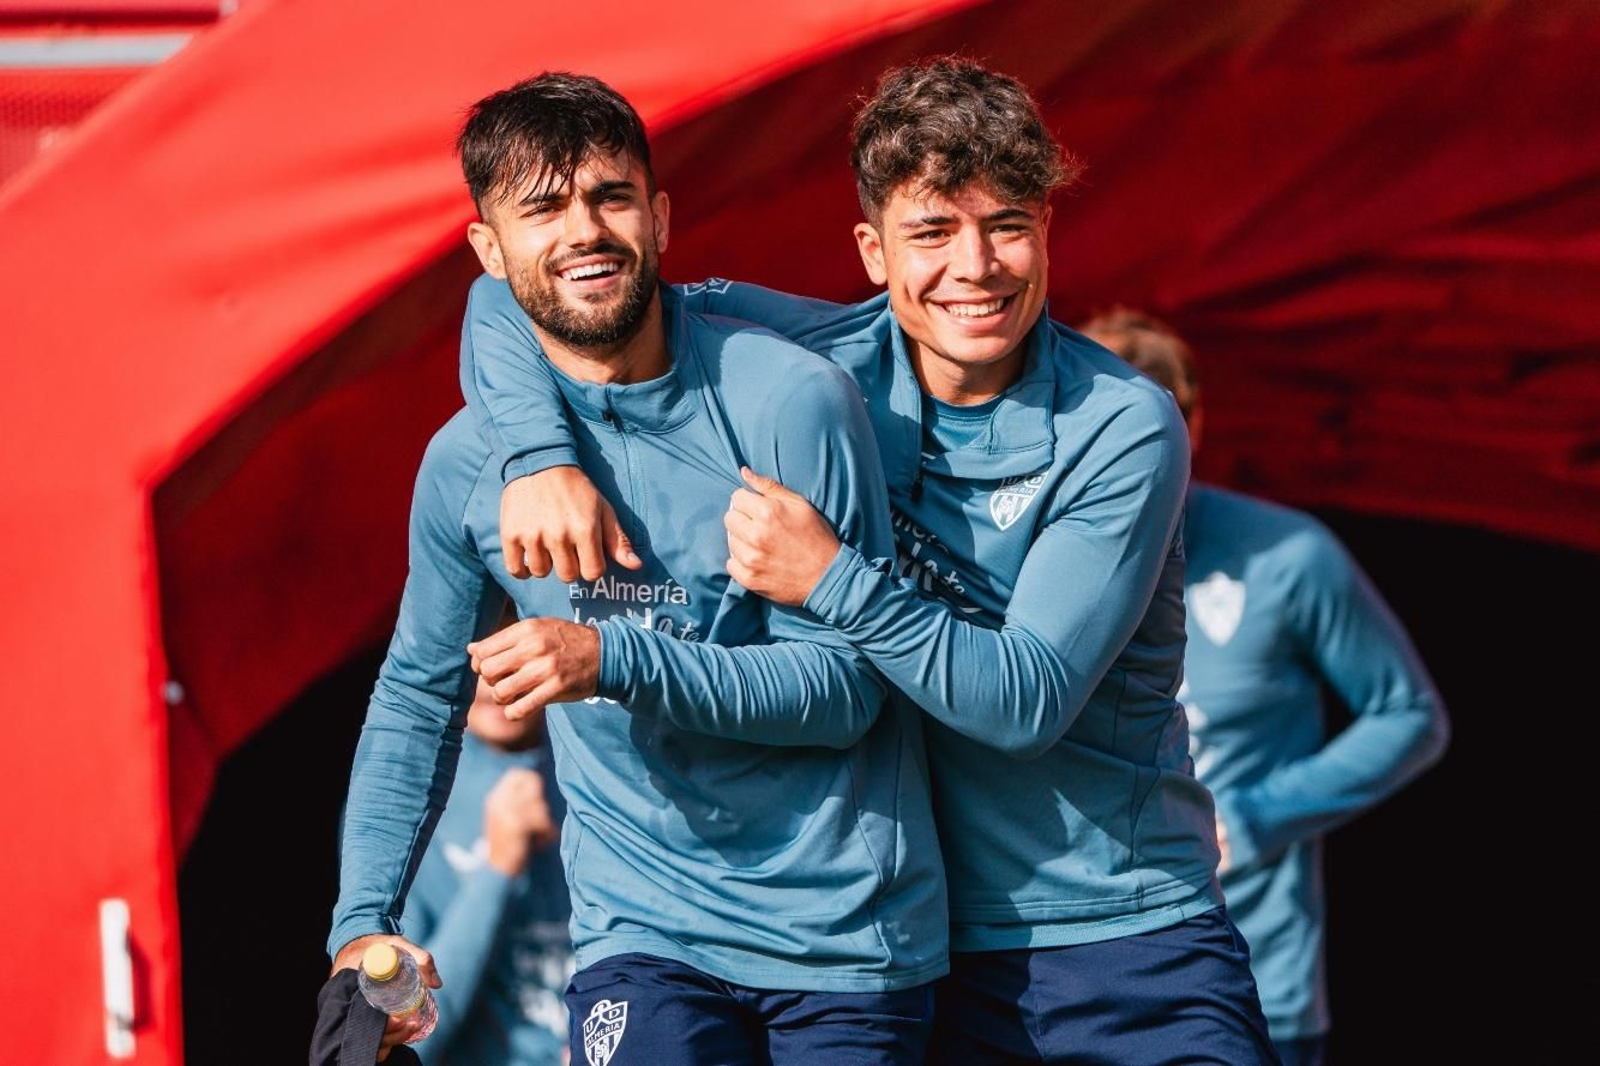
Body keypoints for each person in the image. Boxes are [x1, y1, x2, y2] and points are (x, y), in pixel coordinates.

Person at [460, 58, 1278, 1065]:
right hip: (923, 966)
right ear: (871, 249)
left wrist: (831, 577)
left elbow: (1021, 701)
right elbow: (537, 292)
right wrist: (536, 456)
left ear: (1046, 234)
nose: (973, 266)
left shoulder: (1121, 426)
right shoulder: (819, 365)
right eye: (932, 231)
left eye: (1007, 225)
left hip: (1128, 943)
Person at [327, 73, 947, 1066]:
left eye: (610, 198)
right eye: (543, 209)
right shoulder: (467, 466)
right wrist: (361, 922)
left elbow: (848, 691)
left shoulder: (794, 400)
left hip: (844, 937)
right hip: (639, 938)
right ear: (489, 251)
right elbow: (414, 698)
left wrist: (607, 658)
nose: (586, 231)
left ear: (658, 214)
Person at [1080, 307, 1452, 1066]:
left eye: (1153, 425)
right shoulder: (1034, 560)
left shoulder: (1288, 556)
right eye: (1100, 427)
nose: (1129, 454)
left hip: (1253, 985)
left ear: (1196, 427)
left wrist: (1251, 818)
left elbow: (1410, 714)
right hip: (1083, 982)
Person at [400, 667, 572, 1066]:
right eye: (478, 667)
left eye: (514, 665)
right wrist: (497, 870)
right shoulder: (408, 802)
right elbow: (409, 1036)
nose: (496, 689)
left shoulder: (606, 778)